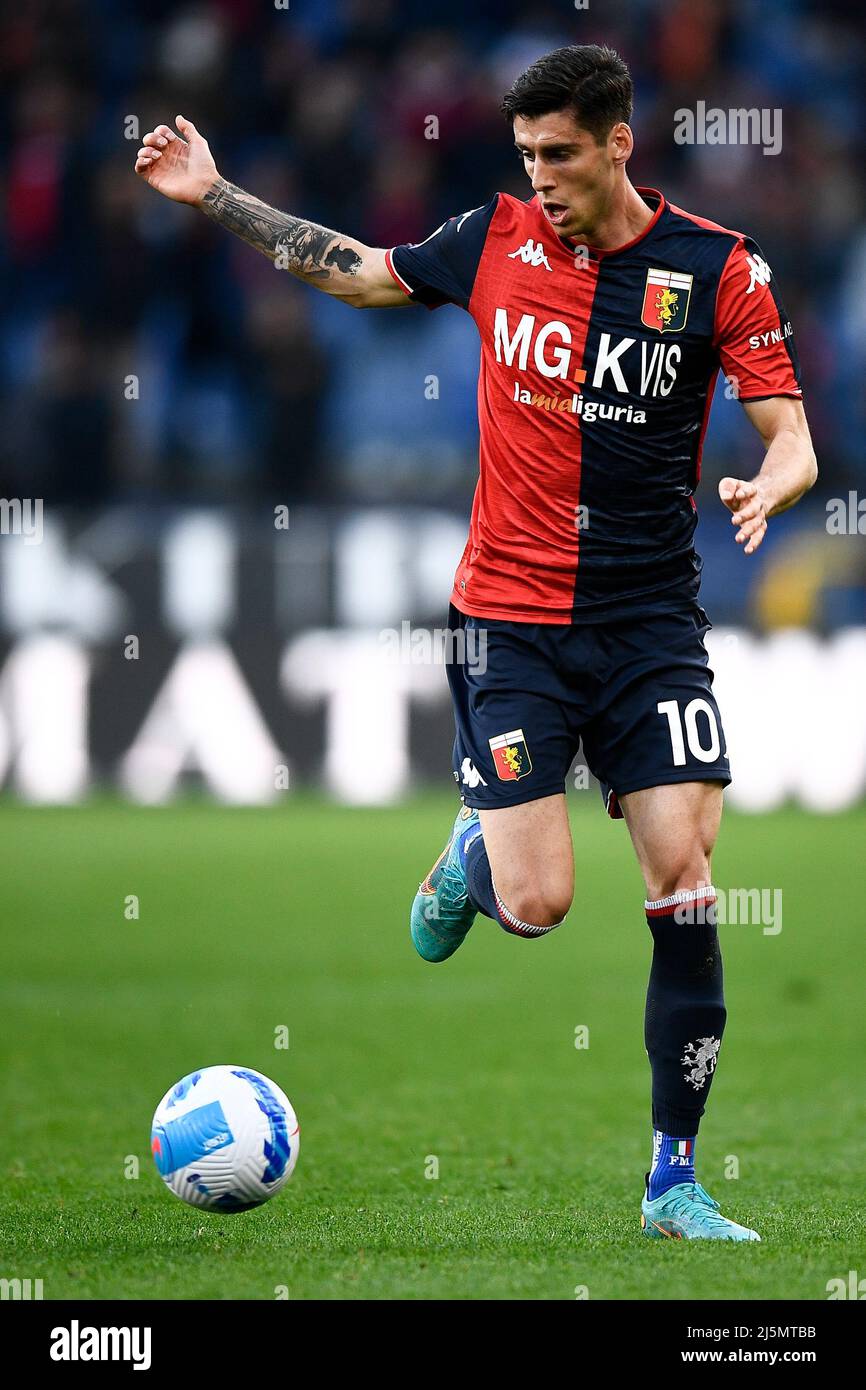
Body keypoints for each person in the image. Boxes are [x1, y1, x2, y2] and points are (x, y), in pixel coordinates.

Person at [134, 43, 816, 1241]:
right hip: (508, 620)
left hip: (653, 621)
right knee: (540, 902)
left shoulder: (717, 270)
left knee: (687, 885)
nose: (541, 179)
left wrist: (771, 482)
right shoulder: (491, 240)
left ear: (618, 141)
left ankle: (672, 1183)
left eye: (560, 155)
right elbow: (352, 271)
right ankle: (471, 851)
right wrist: (218, 196)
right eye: (525, 157)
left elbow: (792, 434)